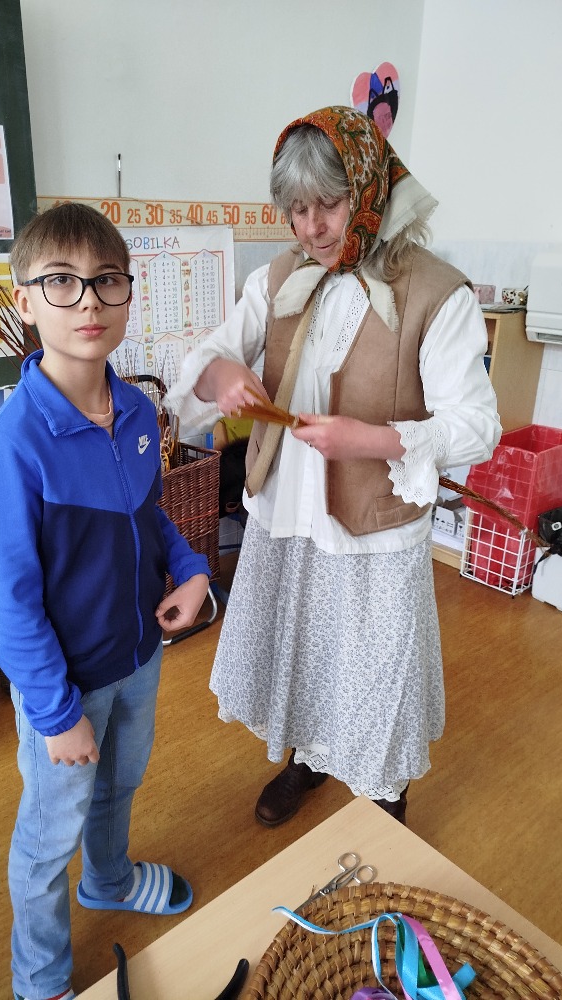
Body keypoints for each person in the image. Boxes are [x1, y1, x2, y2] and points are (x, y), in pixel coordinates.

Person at [166, 106, 501, 829]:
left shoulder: (436, 292)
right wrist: (224, 374)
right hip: (288, 511)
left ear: (369, 189)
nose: (311, 228)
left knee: (376, 669)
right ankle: (308, 760)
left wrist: (373, 439)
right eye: (296, 210)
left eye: (329, 204)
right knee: (307, 650)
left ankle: (385, 797)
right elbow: (208, 356)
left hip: (373, 528)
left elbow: (477, 426)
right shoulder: (280, 277)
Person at [0, 202, 210, 1000]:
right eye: (61, 283)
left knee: (119, 785)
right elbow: (8, 603)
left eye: (107, 281)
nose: (88, 302)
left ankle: (108, 880)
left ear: (128, 293)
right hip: (65, 689)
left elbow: (148, 517)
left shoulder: (138, 410)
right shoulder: (16, 442)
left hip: (138, 656)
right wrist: (54, 713)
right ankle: (39, 979)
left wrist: (192, 569)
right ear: (24, 300)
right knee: (48, 836)